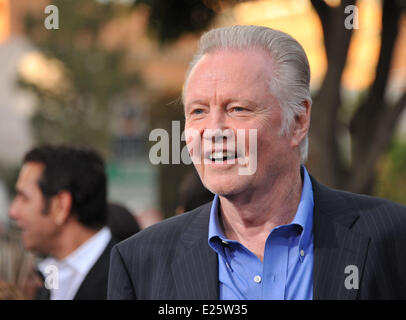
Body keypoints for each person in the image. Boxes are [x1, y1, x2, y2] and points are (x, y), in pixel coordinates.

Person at [107, 25, 406, 300]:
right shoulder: (140, 262)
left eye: (237, 109)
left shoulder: (392, 237)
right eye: (198, 112)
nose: (213, 131)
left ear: (299, 121)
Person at [9, 145, 115, 300]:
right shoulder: (40, 280)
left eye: (24, 198)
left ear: (61, 205)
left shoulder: (130, 278)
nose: (12, 211)